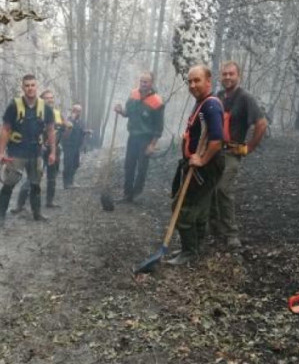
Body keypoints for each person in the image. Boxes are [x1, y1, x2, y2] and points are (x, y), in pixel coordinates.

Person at [167, 65, 225, 266]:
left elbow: (217, 140)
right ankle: (196, 247)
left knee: (182, 206)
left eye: (197, 80)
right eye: (190, 81)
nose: (192, 85)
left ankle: (189, 251)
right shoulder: (201, 103)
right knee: (200, 208)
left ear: (208, 80)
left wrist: (202, 159)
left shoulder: (211, 105)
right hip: (199, 163)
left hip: (205, 166)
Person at [210, 61, 268, 249]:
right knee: (210, 189)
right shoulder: (218, 96)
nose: (227, 77)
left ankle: (231, 233)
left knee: (223, 189)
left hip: (232, 153)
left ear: (238, 76)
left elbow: (261, 124)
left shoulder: (245, 98)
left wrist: (249, 147)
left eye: (231, 74)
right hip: (214, 151)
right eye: (224, 74)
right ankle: (214, 227)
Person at [0, 74, 56, 226]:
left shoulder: (46, 108)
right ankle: (0, 217)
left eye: (32, 85)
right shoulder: (14, 106)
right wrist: (1, 153)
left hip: (36, 152)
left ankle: (37, 214)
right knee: (9, 183)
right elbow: (5, 130)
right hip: (16, 152)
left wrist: (53, 152)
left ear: (37, 87)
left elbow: (50, 130)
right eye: (27, 85)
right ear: (23, 87)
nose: (30, 88)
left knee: (35, 184)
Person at [113, 72, 164, 202]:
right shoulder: (133, 94)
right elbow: (127, 113)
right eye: (141, 81)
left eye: (146, 82)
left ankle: (136, 194)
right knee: (129, 165)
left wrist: (152, 145)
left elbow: (158, 127)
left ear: (151, 83)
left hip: (146, 139)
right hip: (133, 136)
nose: (143, 84)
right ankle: (127, 194)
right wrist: (120, 111)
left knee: (142, 168)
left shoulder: (157, 101)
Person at [11, 90, 66, 212]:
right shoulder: (36, 113)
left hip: (54, 149)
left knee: (52, 177)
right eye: (47, 98)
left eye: (51, 98)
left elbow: (61, 130)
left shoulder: (57, 113)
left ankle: (50, 202)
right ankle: (20, 205)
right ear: (41, 100)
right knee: (33, 178)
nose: (50, 100)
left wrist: (66, 128)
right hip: (39, 149)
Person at [62, 104, 89, 189]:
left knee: (76, 164)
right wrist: (72, 119)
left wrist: (86, 132)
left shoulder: (80, 121)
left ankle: (71, 181)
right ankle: (66, 183)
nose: (77, 113)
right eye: (75, 110)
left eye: (79, 111)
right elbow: (65, 131)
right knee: (68, 164)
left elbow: (81, 131)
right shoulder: (68, 120)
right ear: (72, 111)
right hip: (68, 145)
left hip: (76, 146)